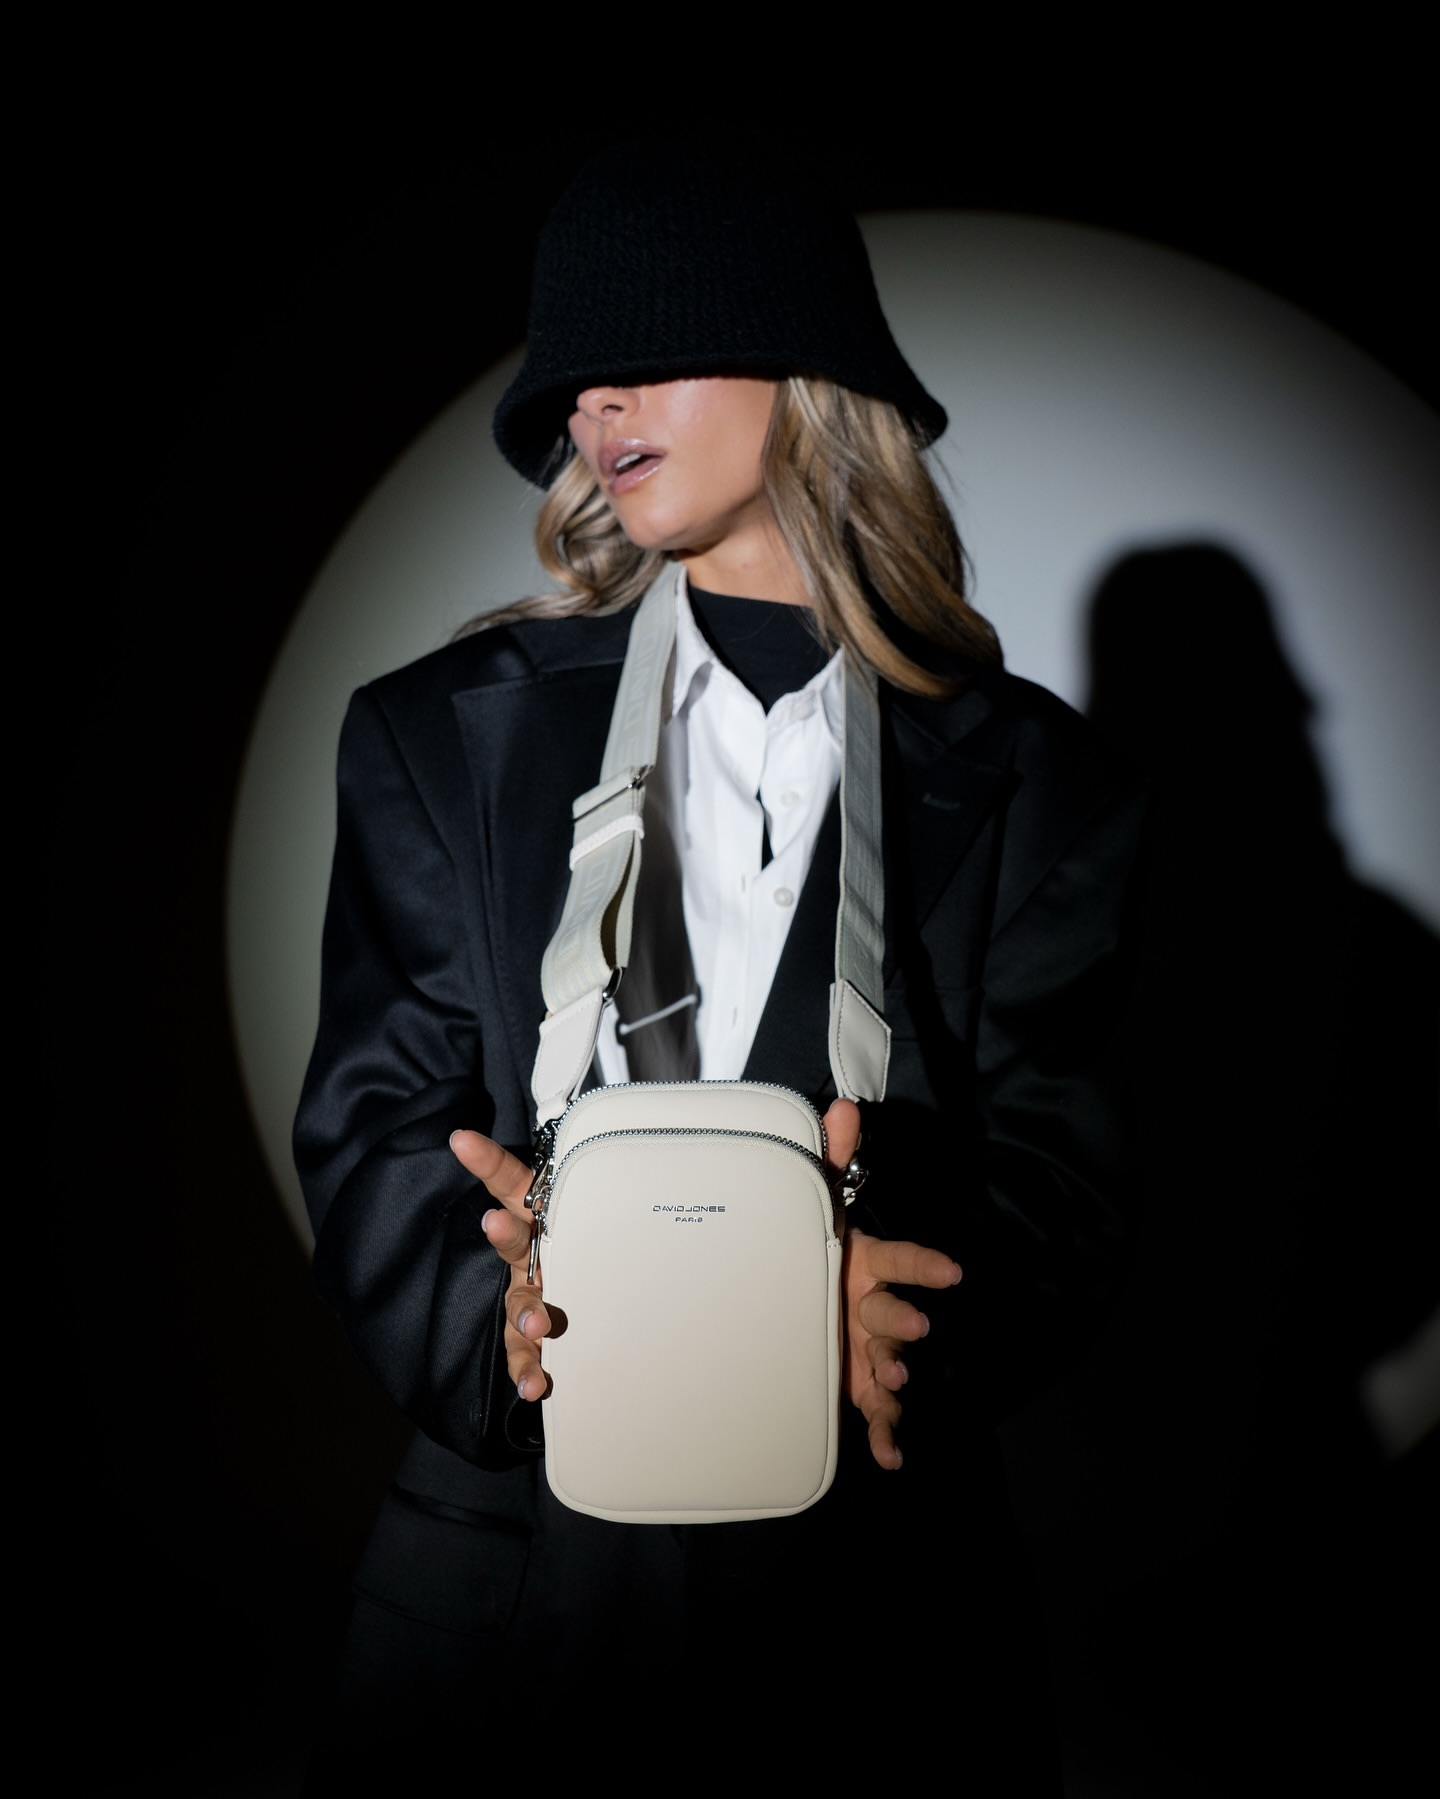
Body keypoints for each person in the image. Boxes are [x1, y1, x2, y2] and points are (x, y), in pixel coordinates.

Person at [295, 147, 1145, 1791]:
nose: (594, 400)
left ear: (805, 364)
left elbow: (1062, 1184)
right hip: (512, 1609)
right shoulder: (436, 737)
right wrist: (500, 1326)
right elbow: (374, 1129)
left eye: (648, 348)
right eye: (574, 376)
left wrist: (901, 1317)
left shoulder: (1049, 783)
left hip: (877, 1625)